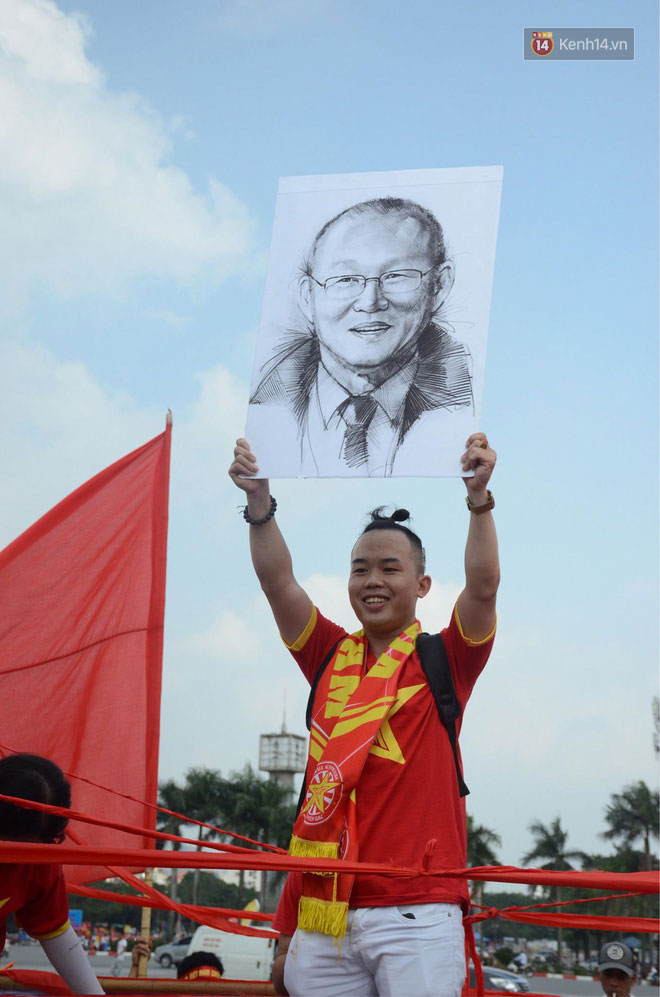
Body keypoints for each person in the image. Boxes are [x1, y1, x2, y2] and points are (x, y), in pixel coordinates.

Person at [228, 433, 499, 997]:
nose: (373, 580)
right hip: (325, 916)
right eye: (360, 569)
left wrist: (478, 500)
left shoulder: (447, 656)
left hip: (419, 913)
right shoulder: (327, 654)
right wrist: (259, 504)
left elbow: (484, 585)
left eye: (389, 568)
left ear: (422, 584)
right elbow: (277, 583)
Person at [249, 197, 474, 476]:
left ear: (439, 286)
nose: (370, 302)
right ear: (308, 296)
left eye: (396, 276)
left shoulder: (465, 410)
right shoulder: (266, 416)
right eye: (346, 279)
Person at [0, 753, 104, 994]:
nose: (18, 858)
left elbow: (54, 932)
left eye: (31, 845)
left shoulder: (39, 858)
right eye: (10, 843)